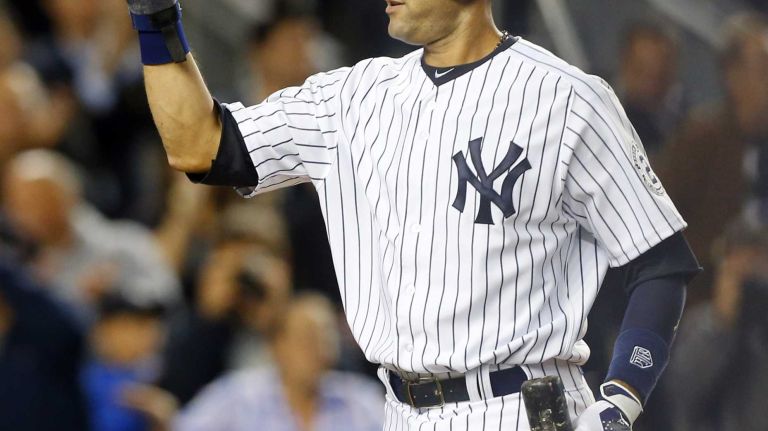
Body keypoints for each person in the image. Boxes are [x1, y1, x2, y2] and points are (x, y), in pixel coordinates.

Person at [124, 0, 701, 429]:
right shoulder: (351, 98)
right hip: (400, 410)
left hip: (521, 409)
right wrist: (155, 18)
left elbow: (659, 259)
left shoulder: (568, 99)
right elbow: (199, 145)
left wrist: (623, 396)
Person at [657, 13, 768, 293]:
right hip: (699, 298)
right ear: (733, 74)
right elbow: (656, 230)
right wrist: (723, 258)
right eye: (764, 68)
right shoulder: (700, 139)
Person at [1, 149, 180, 321]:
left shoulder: (126, 242)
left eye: (39, 198)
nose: (29, 212)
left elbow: (166, 293)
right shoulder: (22, 269)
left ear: (69, 193)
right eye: (19, 203)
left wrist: (115, 294)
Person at [174, 292, 383, 431]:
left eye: (326, 338)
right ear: (277, 346)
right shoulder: (238, 397)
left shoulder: (363, 401)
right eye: (306, 338)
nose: (318, 349)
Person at [665, 221, 768, 431]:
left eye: (761, 257)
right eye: (745, 259)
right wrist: (721, 322)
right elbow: (682, 395)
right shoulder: (700, 325)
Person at [617, 23, 683, 159]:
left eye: (660, 75)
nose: (649, 85)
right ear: (625, 64)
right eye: (641, 71)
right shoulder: (593, 106)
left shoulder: (684, 125)